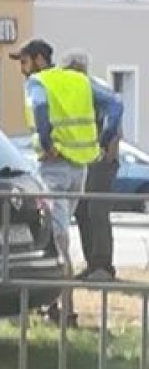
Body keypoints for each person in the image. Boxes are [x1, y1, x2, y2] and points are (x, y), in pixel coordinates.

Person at [10, 38, 121, 326]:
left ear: (37, 59)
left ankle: (65, 311)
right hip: (79, 169)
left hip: (54, 168)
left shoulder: (38, 83)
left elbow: (40, 108)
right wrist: (105, 137)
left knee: (59, 238)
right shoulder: (78, 81)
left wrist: (46, 142)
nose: (21, 69)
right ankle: (52, 306)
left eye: (23, 61)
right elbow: (116, 103)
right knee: (56, 234)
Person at [62, 49, 124, 281]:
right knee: (82, 210)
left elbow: (115, 118)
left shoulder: (95, 88)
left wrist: (109, 150)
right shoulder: (77, 90)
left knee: (97, 210)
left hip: (102, 157)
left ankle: (104, 266)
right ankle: (92, 263)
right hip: (85, 158)